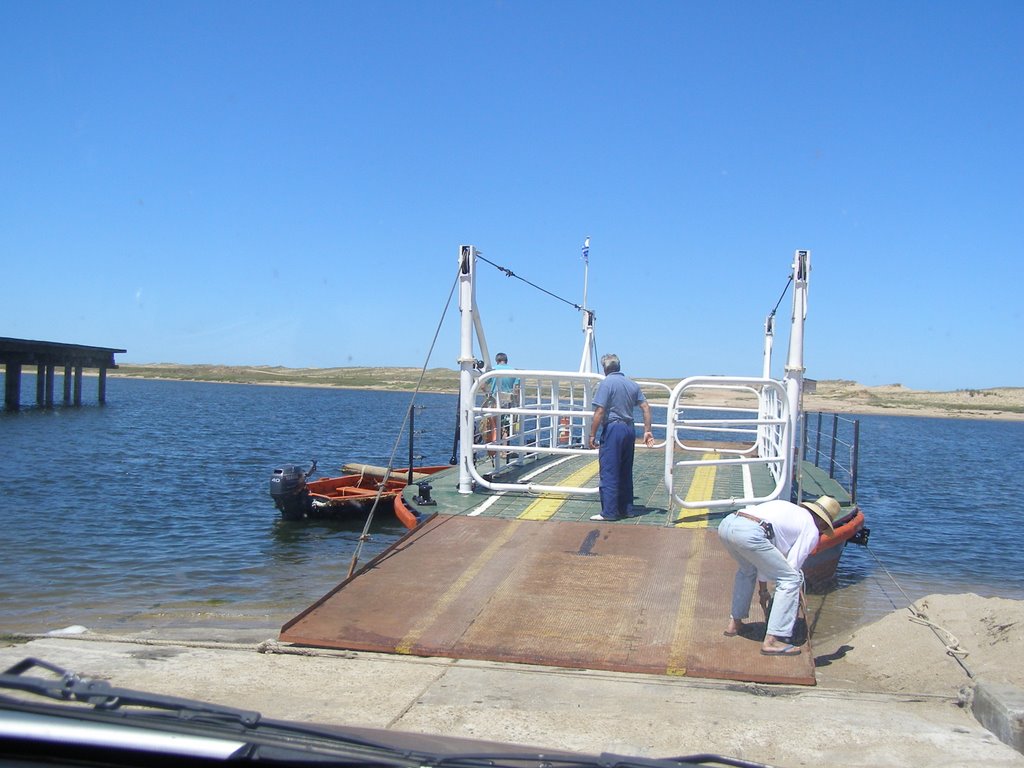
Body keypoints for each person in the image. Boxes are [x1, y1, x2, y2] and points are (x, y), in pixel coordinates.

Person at [717, 495, 841, 656]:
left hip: (728, 524)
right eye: (824, 529)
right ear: (823, 522)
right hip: (750, 533)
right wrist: (795, 590)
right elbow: (792, 568)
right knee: (791, 579)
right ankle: (772, 641)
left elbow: (762, 561)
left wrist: (763, 591)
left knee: (747, 570)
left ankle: (735, 624)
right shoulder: (811, 529)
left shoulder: (789, 509)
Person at [587, 353, 654, 521]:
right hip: (629, 429)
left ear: (605, 368)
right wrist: (647, 430)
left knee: (609, 470)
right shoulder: (632, 384)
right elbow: (645, 407)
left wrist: (592, 434)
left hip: (613, 429)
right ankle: (627, 508)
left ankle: (609, 512)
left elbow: (600, 411)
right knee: (625, 469)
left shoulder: (606, 384)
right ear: (619, 366)